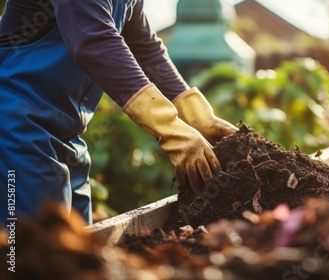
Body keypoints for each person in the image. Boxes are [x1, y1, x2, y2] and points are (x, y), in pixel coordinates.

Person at [0, 0, 238, 225]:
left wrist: (197, 115)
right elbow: (94, 42)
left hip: (66, 137)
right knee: (33, 248)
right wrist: (170, 128)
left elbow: (145, 50)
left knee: (77, 245)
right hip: (16, 126)